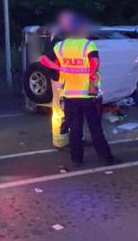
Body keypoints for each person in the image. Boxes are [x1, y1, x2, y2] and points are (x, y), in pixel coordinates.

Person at [43, 17, 118, 166]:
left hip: (70, 95)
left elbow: (44, 60)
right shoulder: (88, 45)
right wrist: (91, 80)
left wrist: (59, 68)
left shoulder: (61, 46)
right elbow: (94, 62)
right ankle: (105, 158)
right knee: (95, 128)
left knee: (75, 129)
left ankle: (76, 159)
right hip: (88, 95)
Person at [39, 10, 75, 149]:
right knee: (61, 110)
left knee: (70, 110)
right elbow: (44, 59)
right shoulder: (61, 39)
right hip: (60, 80)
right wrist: (60, 68)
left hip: (70, 80)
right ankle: (60, 141)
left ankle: (72, 138)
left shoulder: (65, 37)